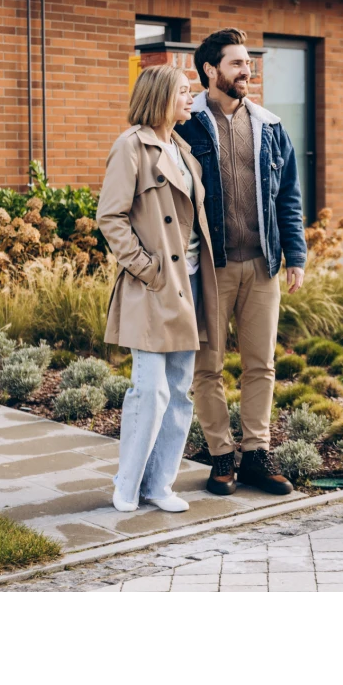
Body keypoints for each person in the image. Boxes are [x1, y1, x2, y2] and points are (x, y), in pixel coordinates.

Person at [175, 28, 307, 496]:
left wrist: (295, 255)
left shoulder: (270, 126)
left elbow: (288, 196)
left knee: (261, 364)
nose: (247, 70)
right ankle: (220, 456)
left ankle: (256, 454)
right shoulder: (185, 126)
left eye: (248, 63)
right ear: (210, 70)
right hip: (211, 269)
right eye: (237, 63)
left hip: (262, 265)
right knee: (207, 367)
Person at [97, 65, 220, 514]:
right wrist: (146, 268)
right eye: (183, 91)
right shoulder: (131, 146)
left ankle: (160, 484)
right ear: (162, 97)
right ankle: (127, 483)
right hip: (154, 285)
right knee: (149, 390)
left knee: (179, 389)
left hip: (191, 282)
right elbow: (110, 216)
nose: (191, 98)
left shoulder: (183, 149)